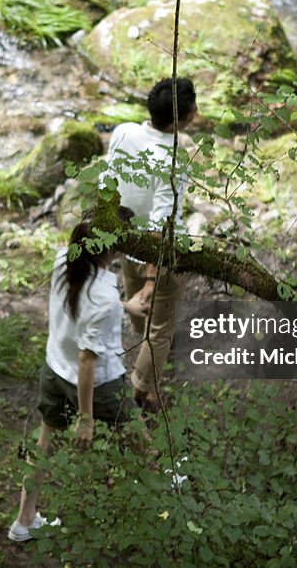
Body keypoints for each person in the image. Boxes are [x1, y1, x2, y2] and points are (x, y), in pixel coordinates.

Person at [9, 209, 147, 542]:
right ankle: (167, 497)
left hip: (54, 371)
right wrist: (85, 418)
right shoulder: (103, 296)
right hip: (97, 385)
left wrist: (124, 305)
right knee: (141, 438)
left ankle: (23, 523)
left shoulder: (65, 259)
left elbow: (88, 302)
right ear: (112, 249)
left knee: (43, 447)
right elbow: (88, 361)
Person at [105, 77, 196, 412]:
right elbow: (161, 224)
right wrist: (151, 279)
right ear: (181, 120)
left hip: (128, 243)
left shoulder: (123, 132)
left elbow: (110, 186)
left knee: (143, 318)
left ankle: (149, 362)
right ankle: (138, 392)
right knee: (160, 328)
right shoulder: (174, 157)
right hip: (160, 256)